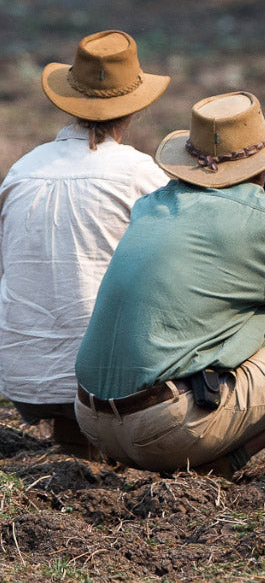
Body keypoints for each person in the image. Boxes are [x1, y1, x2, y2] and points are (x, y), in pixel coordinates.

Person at [74, 90, 265, 477]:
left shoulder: (152, 203)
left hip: (89, 418)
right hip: (168, 431)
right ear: (264, 165)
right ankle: (222, 463)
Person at [0, 30, 170, 457]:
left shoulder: (22, 169)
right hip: (104, 384)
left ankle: (76, 441)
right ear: (134, 109)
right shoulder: (140, 174)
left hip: (24, 380)